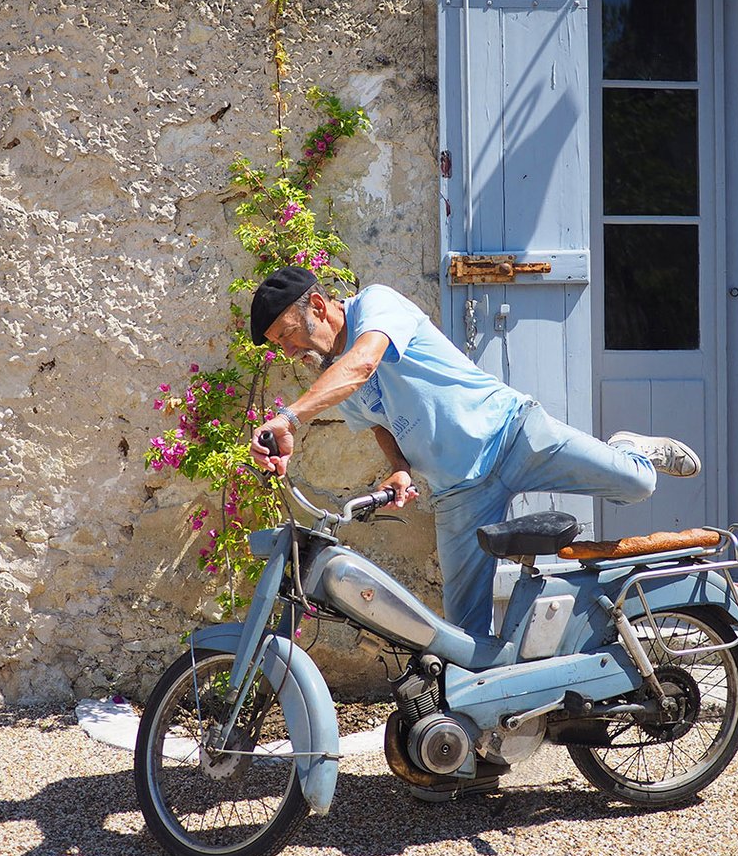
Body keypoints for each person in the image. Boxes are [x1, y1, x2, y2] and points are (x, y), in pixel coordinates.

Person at [249, 266, 701, 639]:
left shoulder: (376, 305)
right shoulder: (334, 376)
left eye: (287, 334)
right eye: (279, 344)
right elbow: (381, 424)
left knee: (639, 483)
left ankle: (627, 448)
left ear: (319, 306)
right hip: (458, 492)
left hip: (513, 434)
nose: (287, 350)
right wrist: (400, 470)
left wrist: (287, 419)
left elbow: (365, 362)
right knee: (463, 637)